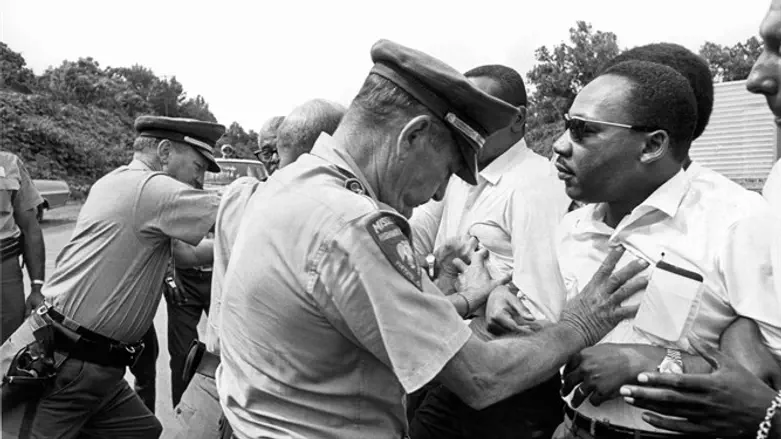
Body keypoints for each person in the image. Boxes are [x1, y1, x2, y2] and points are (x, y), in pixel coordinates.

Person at [216, 39, 649, 439]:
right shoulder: (353, 226)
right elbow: (481, 378)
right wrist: (580, 324)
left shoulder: (291, 184)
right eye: (447, 169)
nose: (440, 193)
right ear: (414, 137)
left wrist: (454, 293)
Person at [549, 60, 781, 438]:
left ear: (652, 145)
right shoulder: (573, 225)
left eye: (582, 131)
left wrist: (656, 363)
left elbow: (769, 379)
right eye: (565, 124)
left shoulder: (737, 222)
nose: (559, 145)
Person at [0, 116, 223, 439]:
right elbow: (240, 211)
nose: (198, 178)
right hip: (67, 363)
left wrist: (227, 246)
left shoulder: (118, 181)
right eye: (197, 166)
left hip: (97, 365)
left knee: (140, 430)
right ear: (164, 151)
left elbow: (186, 254)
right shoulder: (151, 188)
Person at [617, 2, 781, 436]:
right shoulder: (780, 185)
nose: (757, 78)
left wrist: (771, 418)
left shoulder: (738, 218)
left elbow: (760, 378)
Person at [165, 98, 346, 439]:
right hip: (229, 379)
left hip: (255, 386)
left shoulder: (258, 199)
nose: (274, 159)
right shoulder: (247, 197)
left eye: (278, 149)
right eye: (267, 151)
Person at [408, 64, 570, 439]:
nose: (465, 122)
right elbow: (413, 250)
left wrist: (493, 293)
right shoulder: (462, 177)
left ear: (518, 119)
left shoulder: (534, 186)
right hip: (451, 358)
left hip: (502, 378)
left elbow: (542, 308)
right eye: (459, 111)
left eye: (477, 110)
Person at [0, 151, 45, 343]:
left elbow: (30, 228)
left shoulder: (9, 163)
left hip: (5, 271)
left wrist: (37, 286)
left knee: (9, 342)